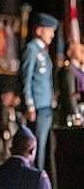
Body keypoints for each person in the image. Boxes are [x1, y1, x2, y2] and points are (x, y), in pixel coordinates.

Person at [20, 12, 58, 169]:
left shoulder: (43, 51)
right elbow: (26, 79)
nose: (53, 34)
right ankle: (36, 180)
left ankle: (41, 178)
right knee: (37, 147)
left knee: (45, 147)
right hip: (38, 106)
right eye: (50, 30)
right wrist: (29, 104)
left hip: (47, 106)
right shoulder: (32, 49)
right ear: (39, 30)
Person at [58, 42, 84, 124]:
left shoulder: (78, 69)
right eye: (81, 51)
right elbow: (70, 93)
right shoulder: (69, 70)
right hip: (76, 111)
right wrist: (75, 113)